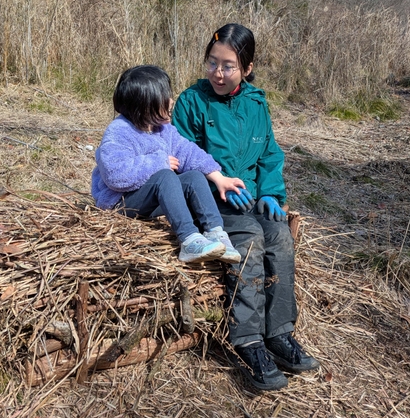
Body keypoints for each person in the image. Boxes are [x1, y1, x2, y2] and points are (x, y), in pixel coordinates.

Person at [172, 24, 320, 391]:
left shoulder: (256, 103)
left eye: (228, 66)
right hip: (210, 201)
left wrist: (270, 192)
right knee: (251, 238)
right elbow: (183, 157)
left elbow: (269, 152)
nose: (218, 73)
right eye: (212, 63)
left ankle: (280, 334)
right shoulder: (192, 101)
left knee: (280, 236)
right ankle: (249, 341)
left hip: (251, 198)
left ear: (248, 67)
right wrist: (216, 182)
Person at [91, 64, 245, 264]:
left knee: (194, 176)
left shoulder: (161, 129)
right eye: (164, 97)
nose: (171, 101)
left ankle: (215, 232)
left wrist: (218, 178)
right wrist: (158, 162)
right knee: (165, 176)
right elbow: (114, 175)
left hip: (147, 201)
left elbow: (187, 151)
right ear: (145, 105)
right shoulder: (118, 131)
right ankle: (189, 240)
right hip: (120, 203)